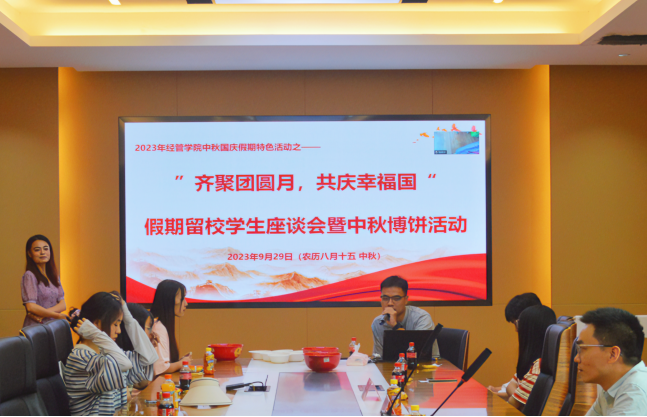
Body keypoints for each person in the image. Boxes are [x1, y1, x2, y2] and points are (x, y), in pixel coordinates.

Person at [64, 292, 158, 416]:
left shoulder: (106, 354)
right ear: (96, 324)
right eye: (115, 324)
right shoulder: (82, 358)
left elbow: (148, 358)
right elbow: (124, 364)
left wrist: (127, 315)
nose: (119, 331)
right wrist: (96, 334)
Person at [575, 308, 647, 416]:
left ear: (613, 354)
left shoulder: (634, 395)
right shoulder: (614, 386)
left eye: (583, 349)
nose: (576, 358)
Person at [489, 292, 543, 398]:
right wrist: (496, 391)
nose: (516, 330)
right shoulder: (530, 351)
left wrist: (495, 394)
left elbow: (518, 397)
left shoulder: (540, 359)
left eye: (516, 324)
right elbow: (515, 384)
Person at [371, 276, 439, 358]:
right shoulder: (378, 323)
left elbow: (418, 353)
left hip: (424, 364)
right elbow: (379, 357)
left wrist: (395, 326)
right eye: (385, 298)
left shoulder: (421, 318)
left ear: (406, 299)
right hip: (391, 365)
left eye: (396, 298)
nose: (390, 303)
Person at [507, 304, 557, 411]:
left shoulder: (538, 368)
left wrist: (516, 395)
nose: (516, 331)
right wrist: (518, 394)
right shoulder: (539, 362)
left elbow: (512, 403)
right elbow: (511, 385)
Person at [21, 235, 68, 327]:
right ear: (30, 254)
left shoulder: (54, 275)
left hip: (53, 326)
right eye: (37, 250)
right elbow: (31, 307)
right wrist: (56, 315)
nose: (42, 252)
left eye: (46, 249)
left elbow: (62, 305)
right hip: (36, 327)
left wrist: (42, 314)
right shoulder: (29, 275)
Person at [150, 280, 191, 376]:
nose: (186, 303)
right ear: (170, 299)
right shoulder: (158, 327)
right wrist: (182, 363)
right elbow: (161, 368)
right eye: (182, 298)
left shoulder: (160, 324)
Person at [116, 303, 161, 390]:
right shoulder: (121, 355)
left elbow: (146, 381)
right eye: (148, 328)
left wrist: (148, 346)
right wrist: (147, 348)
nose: (151, 333)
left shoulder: (132, 355)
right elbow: (143, 382)